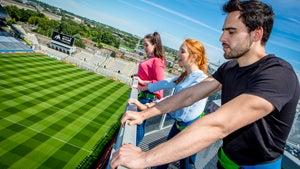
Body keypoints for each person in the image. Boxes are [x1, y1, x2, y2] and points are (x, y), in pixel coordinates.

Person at [110, 0, 300, 169]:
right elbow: (189, 95)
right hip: (226, 158)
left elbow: (219, 125)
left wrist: (143, 159)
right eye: (224, 31)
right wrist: (144, 114)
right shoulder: (230, 68)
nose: (222, 38)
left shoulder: (278, 74)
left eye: (231, 32)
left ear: (256, 34)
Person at [129, 38, 208, 169]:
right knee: (162, 160)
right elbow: (165, 83)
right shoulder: (186, 76)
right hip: (179, 125)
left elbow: (176, 100)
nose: (178, 54)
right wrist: (144, 86)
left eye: (182, 51)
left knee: (185, 165)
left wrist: (148, 106)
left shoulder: (201, 79)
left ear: (194, 56)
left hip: (191, 130)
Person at [134, 32, 165, 146]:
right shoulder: (152, 59)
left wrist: (142, 82)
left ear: (154, 45)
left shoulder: (157, 60)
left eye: (147, 45)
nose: (144, 47)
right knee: (139, 123)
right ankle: (135, 146)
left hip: (147, 97)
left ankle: (135, 146)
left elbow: (159, 82)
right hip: (144, 95)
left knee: (139, 124)